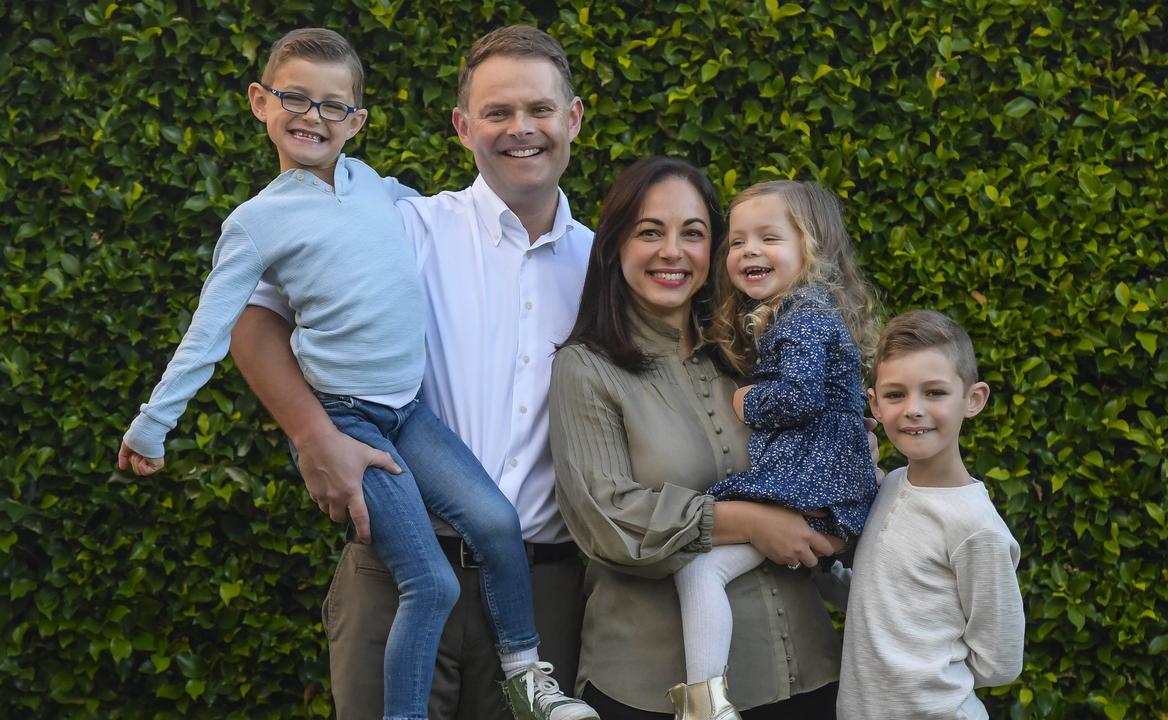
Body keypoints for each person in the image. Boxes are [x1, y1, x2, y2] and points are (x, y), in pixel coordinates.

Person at [121, 27, 594, 720]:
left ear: (573, 118)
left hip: (541, 585)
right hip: (397, 570)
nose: (520, 129)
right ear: (464, 126)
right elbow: (250, 321)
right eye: (496, 112)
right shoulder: (409, 223)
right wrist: (314, 435)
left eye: (540, 109)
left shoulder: (607, 266)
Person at [550, 157, 867, 719]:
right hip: (649, 686)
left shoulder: (756, 352)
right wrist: (749, 522)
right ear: (614, 245)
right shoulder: (587, 369)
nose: (673, 251)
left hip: (807, 671)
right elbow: (606, 516)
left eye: (693, 234)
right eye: (651, 232)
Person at [663, 181, 881, 718]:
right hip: (824, 478)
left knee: (698, 569)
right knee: (814, 561)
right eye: (736, 242)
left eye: (769, 238)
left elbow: (798, 397)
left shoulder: (802, 316)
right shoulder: (807, 310)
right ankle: (850, 587)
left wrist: (748, 401)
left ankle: (704, 704)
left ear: (812, 248)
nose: (748, 252)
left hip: (810, 481)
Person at [838, 310, 1024, 720]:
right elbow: (887, 602)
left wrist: (929, 678)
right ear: (874, 403)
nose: (913, 409)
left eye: (935, 393)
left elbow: (1001, 662)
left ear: (973, 399)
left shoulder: (975, 528)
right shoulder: (890, 486)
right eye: (895, 394)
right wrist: (819, 576)